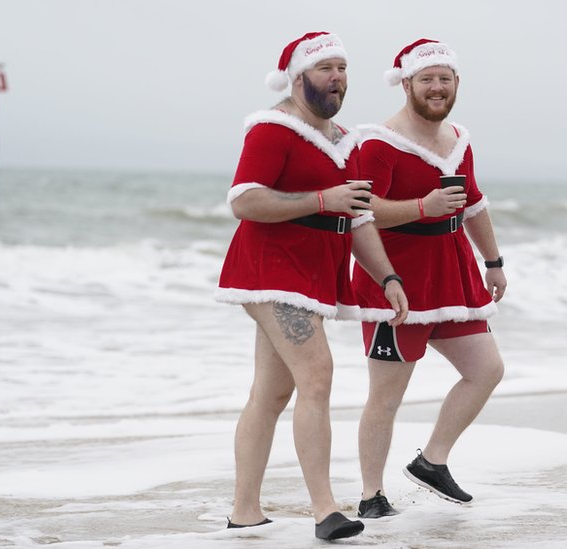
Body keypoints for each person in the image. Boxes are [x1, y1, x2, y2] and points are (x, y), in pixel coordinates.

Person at [214, 31, 408, 541]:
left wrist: (386, 276)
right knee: (317, 375)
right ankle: (325, 512)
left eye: (343, 68)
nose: (337, 78)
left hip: (315, 275)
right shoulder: (272, 130)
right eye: (326, 68)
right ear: (297, 77)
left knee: (271, 393)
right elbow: (245, 201)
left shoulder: (345, 139)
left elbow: (360, 217)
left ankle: (244, 511)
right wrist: (322, 200)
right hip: (269, 270)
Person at [351, 38, 507, 519]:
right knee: (386, 396)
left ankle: (431, 462)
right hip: (395, 280)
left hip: (453, 272)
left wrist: (494, 261)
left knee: (486, 371)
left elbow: (474, 203)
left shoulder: (458, 138)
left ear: (456, 83)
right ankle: (371, 495)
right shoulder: (378, 143)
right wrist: (422, 208)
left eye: (444, 79)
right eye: (427, 79)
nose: (436, 87)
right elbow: (362, 209)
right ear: (406, 84)